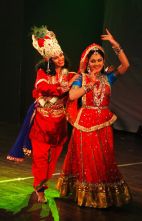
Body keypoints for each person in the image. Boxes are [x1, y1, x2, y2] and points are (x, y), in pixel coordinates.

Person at [57, 29, 132, 208]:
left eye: (99, 60)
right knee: (88, 160)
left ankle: (103, 194)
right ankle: (87, 195)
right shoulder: (81, 78)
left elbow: (126, 66)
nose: (97, 63)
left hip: (104, 123)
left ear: (103, 61)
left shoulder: (108, 78)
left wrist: (115, 44)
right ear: (87, 62)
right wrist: (88, 86)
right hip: (85, 124)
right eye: (93, 61)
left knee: (104, 159)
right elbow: (73, 96)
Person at [7, 26, 78, 203]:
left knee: (52, 161)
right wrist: (63, 88)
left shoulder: (69, 75)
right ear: (48, 59)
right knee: (40, 159)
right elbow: (41, 87)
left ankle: (43, 181)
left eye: (61, 55)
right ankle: (39, 188)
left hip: (59, 126)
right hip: (41, 124)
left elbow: (82, 82)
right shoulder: (42, 73)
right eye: (55, 57)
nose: (60, 59)